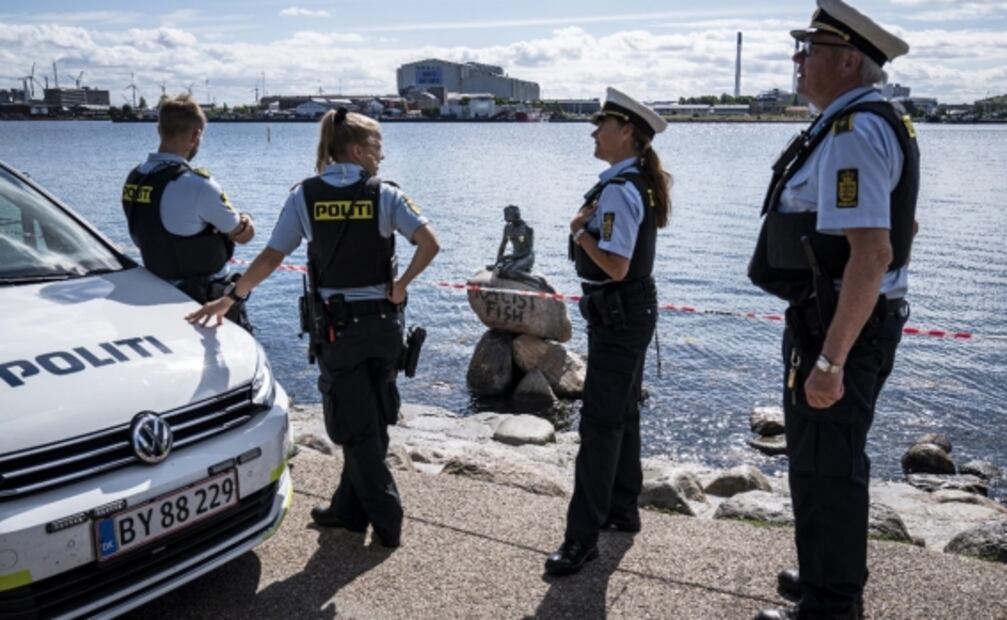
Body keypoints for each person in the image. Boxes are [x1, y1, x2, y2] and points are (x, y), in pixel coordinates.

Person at [186, 108, 440, 548]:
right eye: (377, 147)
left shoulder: (304, 196)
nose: (381, 155)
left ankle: (387, 517)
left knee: (354, 424)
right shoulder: (386, 195)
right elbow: (430, 243)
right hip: (384, 328)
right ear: (357, 150)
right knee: (373, 415)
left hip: (339, 331)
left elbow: (270, 256)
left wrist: (234, 296)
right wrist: (400, 286)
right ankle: (347, 511)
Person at [748, 1, 919, 618]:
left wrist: (832, 357)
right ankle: (823, 571)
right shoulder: (856, 123)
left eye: (809, 48)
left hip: (840, 325)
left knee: (831, 464)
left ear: (848, 59)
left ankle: (832, 603)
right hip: (831, 315)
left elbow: (872, 252)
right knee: (815, 457)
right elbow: (906, 226)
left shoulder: (855, 133)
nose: (797, 59)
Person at [544, 88, 672, 576]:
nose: (594, 133)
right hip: (628, 311)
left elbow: (616, 266)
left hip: (620, 309)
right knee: (623, 413)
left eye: (602, 125)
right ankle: (622, 509)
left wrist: (580, 232)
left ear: (627, 132)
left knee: (599, 425)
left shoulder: (619, 189)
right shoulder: (633, 181)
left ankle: (582, 539)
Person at [122, 93, 255, 330]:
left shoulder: (136, 177)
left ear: (159, 130)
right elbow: (242, 235)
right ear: (196, 135)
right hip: (202, 304)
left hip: (155, 292)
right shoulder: (196, 184)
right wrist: (247, 220)